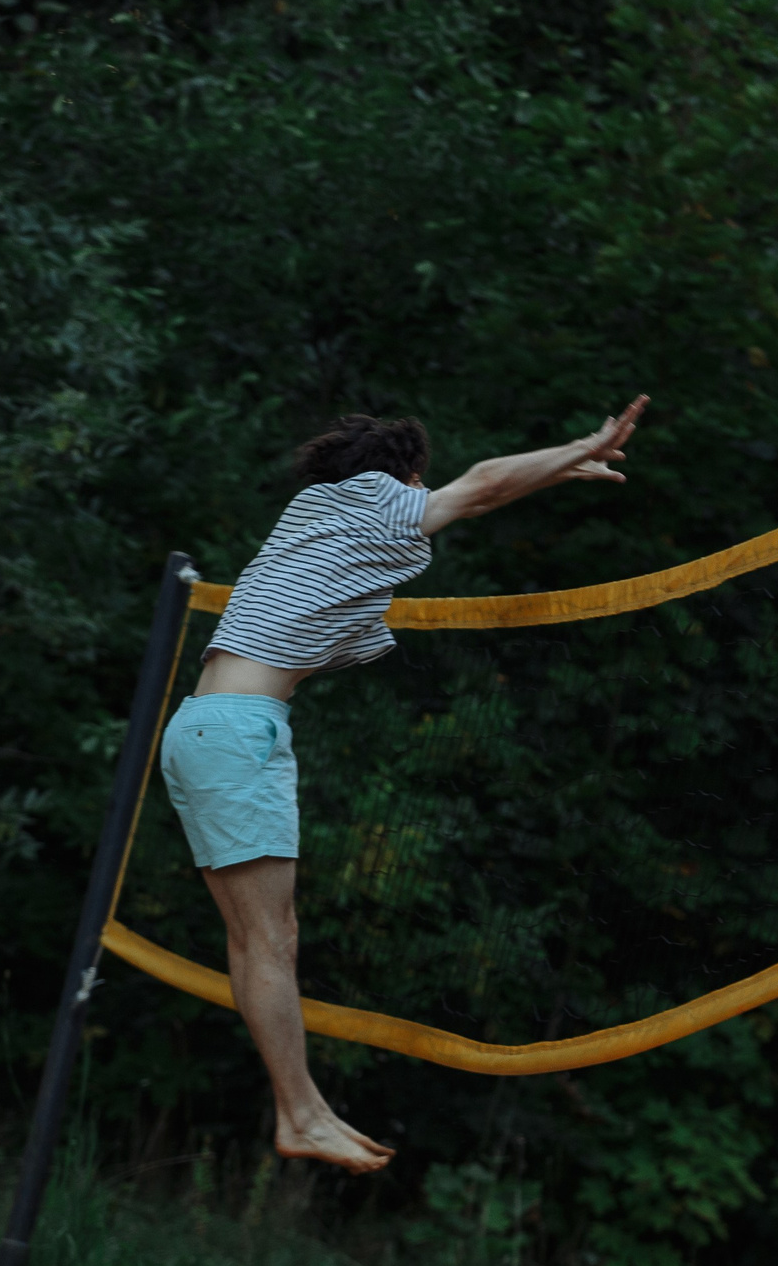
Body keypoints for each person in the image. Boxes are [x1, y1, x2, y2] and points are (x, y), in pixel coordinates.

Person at [165, 397, 647, 1173]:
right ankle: (300, 1112)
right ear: (406, 476)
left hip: (200, 728)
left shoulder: (313, 512)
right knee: (272, 940)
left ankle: (304, 1108)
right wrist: (576, 448)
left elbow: (478, 491)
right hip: (237, 733)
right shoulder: (378, 502)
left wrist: (552, 473)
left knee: (258, 939)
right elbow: (481, 485)